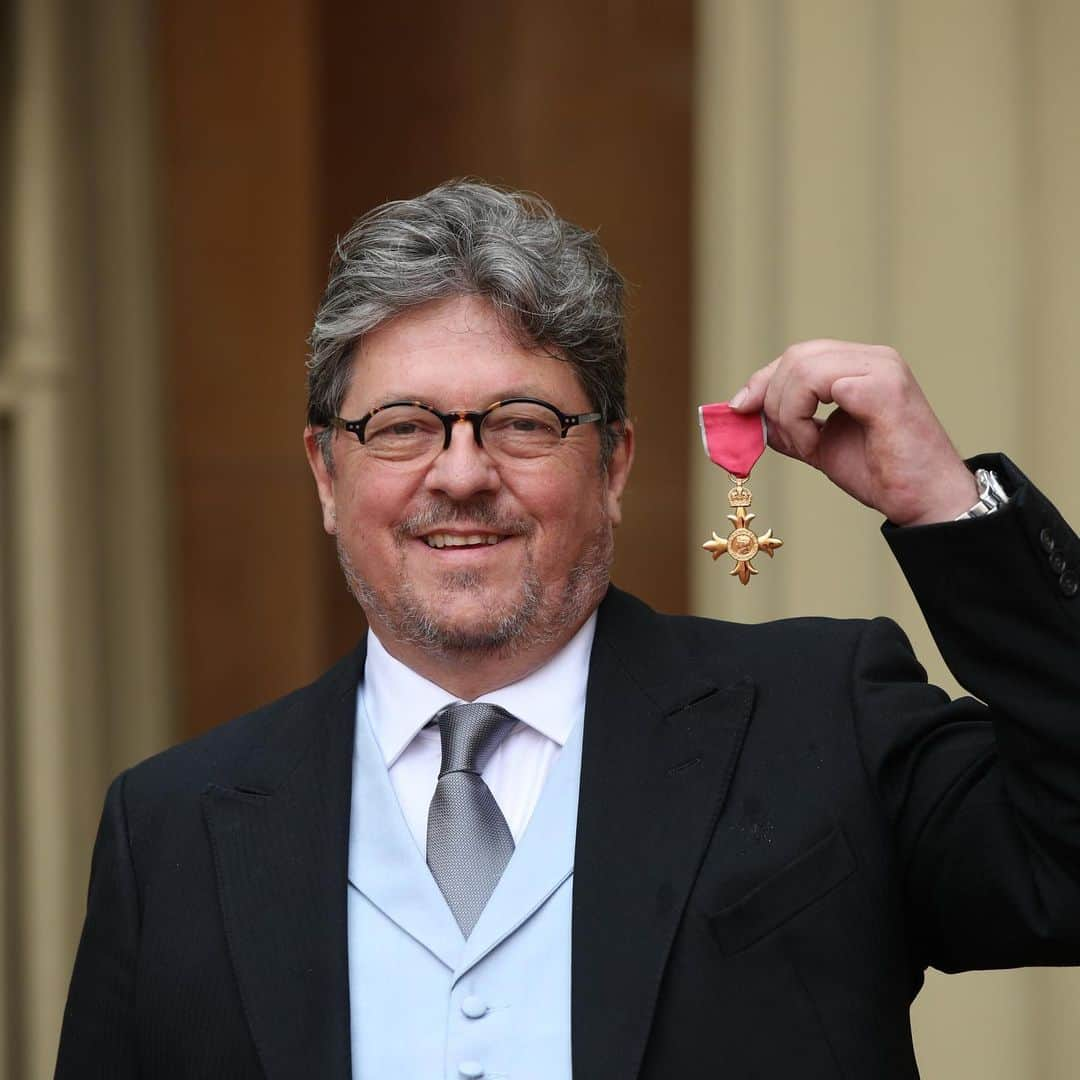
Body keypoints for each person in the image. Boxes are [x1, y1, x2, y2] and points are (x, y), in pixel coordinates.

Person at [56, 180, 1080, 1079]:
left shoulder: (826, 712)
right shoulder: (171, 827)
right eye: (403, 426)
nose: (461, 474)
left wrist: (948, 505)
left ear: (615, 464)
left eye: (522, 423)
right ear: (329, 474)